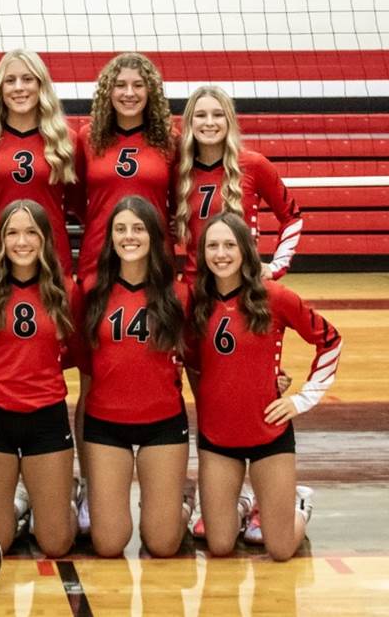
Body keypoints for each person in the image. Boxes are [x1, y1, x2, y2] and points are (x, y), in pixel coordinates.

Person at [187, 212, 341, 562]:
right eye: (213, 245)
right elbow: (196, 364)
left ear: (246, 250)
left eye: (230, 245)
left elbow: (330, 340)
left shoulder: (275, 296)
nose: (221, 254)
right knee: (220, 545)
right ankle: (241, 504)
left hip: (269, 434)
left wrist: (302, 399)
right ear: (202, 253)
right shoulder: (196, 301)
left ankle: (298, 502)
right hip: (218, 437)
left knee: (280, 549)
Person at [0, 199, 78, 557]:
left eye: (31, 233)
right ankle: (21, 505)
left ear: (45, 238)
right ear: (1, 240)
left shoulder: (66, 290)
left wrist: (41, 375)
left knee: (56, 544)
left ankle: (60, 498)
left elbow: (77, 350)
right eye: (12, 233)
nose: (22, 242)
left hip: (47, 416)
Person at [77, 196, 192, 558]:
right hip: (105, 425)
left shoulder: (179, 294)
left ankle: (178, 505)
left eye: (138, 229)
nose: (129, 237)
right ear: (109, 237)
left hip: (164, 424)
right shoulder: (90, 291)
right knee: (109, 544)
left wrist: (273, 375)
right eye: (121, 229)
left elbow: (208, 357)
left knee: (162, 544)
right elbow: (81, 367)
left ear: (154, 236)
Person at [174, 85, 302, 283]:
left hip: (243, 288)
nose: (209, 122)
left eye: (218, 115)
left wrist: (276, 266)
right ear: (189, 122)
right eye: (200, 115)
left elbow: (292, 217)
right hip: (194, 289)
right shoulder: (179, 171)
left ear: (229, 121)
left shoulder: (254, 165)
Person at [0, 48, 78, 274]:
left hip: (50, 255)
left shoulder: (65, 140)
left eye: (27, 79)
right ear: (0, 88)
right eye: (10, 80)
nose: (19, 87)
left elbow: (77, 200)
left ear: (41, 85)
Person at [75, 52, 177, 284]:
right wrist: (102, 220)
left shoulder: (170, 140)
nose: (129, 93)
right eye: (120, 85)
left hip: (154, 256)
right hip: (98, 254)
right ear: (107, 92)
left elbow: (180, 199)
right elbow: (76, 197)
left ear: (150, 91)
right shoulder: (87, 138)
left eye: (138, 85)